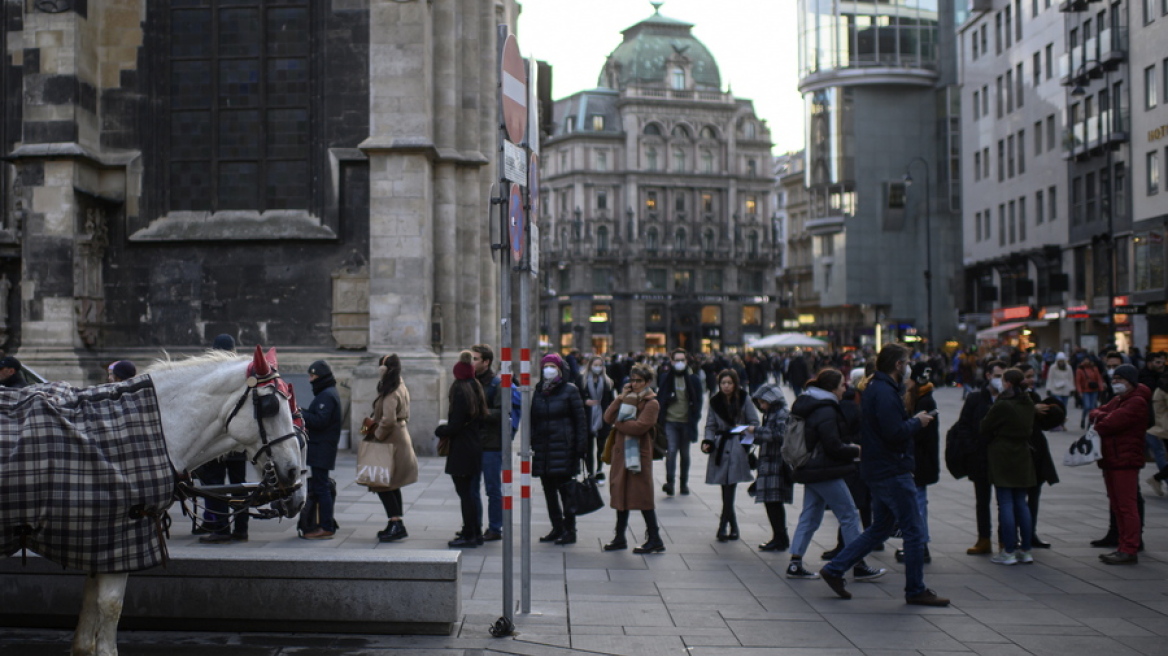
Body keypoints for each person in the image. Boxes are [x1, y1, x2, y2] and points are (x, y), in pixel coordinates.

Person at [819, 343, 948, 607]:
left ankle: (835, 568)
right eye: (907, 361)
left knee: (881, 527)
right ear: (898, 365)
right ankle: (915, 589)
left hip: (879, 467)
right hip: (891, 469)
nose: (909, 366)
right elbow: (894, 432)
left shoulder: (877, 388)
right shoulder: (885, 392)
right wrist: (917, 422)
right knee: (913, 530)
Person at [784, 369, 885, 582]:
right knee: (849, 515)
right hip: (825, 470)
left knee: (809, 516)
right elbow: (832, 445)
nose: (845, 388)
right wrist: (856, 450)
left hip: (810, 467)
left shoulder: (810, 403)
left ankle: (795, 563)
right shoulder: (826, 409)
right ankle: (858, 563)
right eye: (841, 385)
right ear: (831, 389)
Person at [1089, 364, 1152, 564]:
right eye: (1114, 378)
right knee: (1117, 505)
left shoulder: (1136, 402)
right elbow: (1095, 413)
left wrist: (1100, 417)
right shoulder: (1120, 400)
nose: (1115, 383)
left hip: (1125, 460)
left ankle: (1129, 548)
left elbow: (1107, 424)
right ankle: (1123, 545)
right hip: (1112, 458)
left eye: (1120, 379)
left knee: (1126, 506)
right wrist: (1100, 416)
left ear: (1131, 381)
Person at [601, 363, 664, 554]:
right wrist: (620, 397)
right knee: (620, 494)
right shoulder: (626, 398)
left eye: (639, 381)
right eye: (632, 380)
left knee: (643, 497)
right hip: (622, 454)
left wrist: (619, 424)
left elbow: (639, 427)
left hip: (638, 454)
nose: (635, 384)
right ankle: (620, 537)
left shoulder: (652, 403)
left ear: (648, 382)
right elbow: (607, 417)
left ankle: (655, 538)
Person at [196, 335, 251, 544]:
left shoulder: (211, 373)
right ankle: (241, 529)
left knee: (215, 485)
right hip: (236, 441)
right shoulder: (243, 372)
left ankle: (220, 529)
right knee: (239, 485)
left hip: (216, 441)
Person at [948, 360, 1007, 555]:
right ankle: (984, 539)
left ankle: (1005, 540)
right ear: (988, 376)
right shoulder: (975, 398)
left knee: (1004, 501)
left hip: (1002, 458)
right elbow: (963, 425)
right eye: (997, 376)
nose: (1001, 380)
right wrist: (971, 447)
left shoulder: (1010, 398)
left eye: (1004, 376)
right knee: (982, 501)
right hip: (980, 457)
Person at [980, 368, 1037, 565]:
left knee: (1005, 502)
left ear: (1008, 383)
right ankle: (1026, 549)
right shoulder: (1027, 402)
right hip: (1022, 453)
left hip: (1003, 453)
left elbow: (984, 426)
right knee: (1021, 502)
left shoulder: (1003, 404)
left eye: (1003, 380)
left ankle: (1009, 550)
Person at [531, 353, 588, 546]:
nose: (548, 370)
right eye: (545, 366)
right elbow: (533, 419)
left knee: (566, 491)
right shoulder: (539, 390)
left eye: (552, 367)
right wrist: (533, 442)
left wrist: (581, 447)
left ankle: (570, 530)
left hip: (564, 448)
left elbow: (580, 420)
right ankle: (556, 527)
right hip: (544, 449)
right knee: (548, 491)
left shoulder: (570, 390)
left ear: (560, 369)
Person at [701, 369, 759, 542]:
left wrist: (745, 445)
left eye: (729, 383)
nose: (726, 386)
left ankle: (723, 526)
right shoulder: (715, 401)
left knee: (730, 487)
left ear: (735, 384)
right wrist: (708, 441)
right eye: (723, 383)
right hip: (720, 447)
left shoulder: (744, 399)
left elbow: (754, 423)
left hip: (737, 447)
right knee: (725, 488)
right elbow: (710, 425)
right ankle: (733, 526)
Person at [437, 351, 486, 548]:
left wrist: (441, 430)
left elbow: (456, 424)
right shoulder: (476, 386)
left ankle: (470, 535)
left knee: (465, 494)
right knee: (470, 493)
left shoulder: (459, 390)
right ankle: (473, 531)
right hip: (474, 446)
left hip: (462, 449)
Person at [368, 354, 418, 543]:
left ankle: (396, 523)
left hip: (391, 440)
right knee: (391, 483)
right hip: (398, 438)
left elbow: (388, 419)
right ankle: (396, 522)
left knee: (383, 484)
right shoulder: (399, 385)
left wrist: (377, 434)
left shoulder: (391, 390)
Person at [895, 362, 939, 564]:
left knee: (918, 503)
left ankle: (920, 546)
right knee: (918, 502)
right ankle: (919, 545)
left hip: (919, 461)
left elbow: (920, 435)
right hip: (921, 460)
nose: (906, 382)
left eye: (909, 379)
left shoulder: (924, 402)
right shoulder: (922, 399)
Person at [300, 360, 343, 540]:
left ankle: (326, 526)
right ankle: (324, 523)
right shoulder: (327, 393)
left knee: (322, 487)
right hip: (321, 447)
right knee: (321, 485)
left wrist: (300, 413)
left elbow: (320, 421)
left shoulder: (326, 395)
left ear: (321, 377)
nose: (310, 380)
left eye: (313, 376)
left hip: (322, 447)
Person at [751, 384, 794, 551]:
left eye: (763, 402)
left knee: (774, 502)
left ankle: (781, 537)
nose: (762, 406)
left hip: (777, 463)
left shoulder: (782, 413)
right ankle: (778, 536)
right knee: (770, 502)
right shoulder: (771, 413)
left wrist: (756, 431)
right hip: (769, 462)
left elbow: (780, 435)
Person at [657, 348, 703, 497]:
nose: (679, 363)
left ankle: (684, 483)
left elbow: (698, 401)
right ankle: (669, 482)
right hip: (670, 421)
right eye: (677, 360)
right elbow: (660, 398)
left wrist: (695, 418)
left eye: (682, 360)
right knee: (670, 452)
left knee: (685, 454)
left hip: (686, 422)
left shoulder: (693, 379)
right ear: (671, 361)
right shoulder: (665, 377)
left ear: (686, 361)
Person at [470, 344, 504, 541]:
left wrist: (481, 412)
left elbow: (502, 411)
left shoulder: (496, 384)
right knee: (472, 488)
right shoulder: (469, 382)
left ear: (486, 362)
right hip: (472, 443)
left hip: (491, 444)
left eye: (476, 359)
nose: (472, 362)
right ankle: (474, 526)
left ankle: (495, 528)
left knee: (493, 489)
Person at [579, 355, 615, 484]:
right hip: (587, 417)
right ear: (590, 366)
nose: (597, 368)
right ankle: (590, 472)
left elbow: (611, 401)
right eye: (595, 365)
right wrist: (585, 402)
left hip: (603, 418)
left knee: (601, 446)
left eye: (600, 365)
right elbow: (576, 398)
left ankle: (599, 470)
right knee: (588, 447)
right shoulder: (582, 380)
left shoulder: (607, 381)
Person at [1145, 371, 1168, 496]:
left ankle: (1157, 478)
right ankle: (1157, 478)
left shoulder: (1162, 386)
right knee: (1160, 454)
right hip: (1164, 428)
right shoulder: (1164, 388)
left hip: (1162, 428)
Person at [1045, 353, 1075, 429]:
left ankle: (1062, 423)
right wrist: (1048, 388)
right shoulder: (1053, 367)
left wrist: (1072, 389)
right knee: (1058, 407)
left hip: (1066, 389)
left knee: (1064, 408)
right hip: (1056, 389)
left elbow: (1071, 379)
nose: (1061, 362)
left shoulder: (1068, 368)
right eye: (1060, 361)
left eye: (1062, 361)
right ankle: (1056, 424)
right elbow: (1050, 378)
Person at [1076, 359, 1105, 428]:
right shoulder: (1080, 370)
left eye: (1087, 360)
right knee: (1087, 406)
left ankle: (1090, 422)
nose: (1086, 361)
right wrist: (1079, 392)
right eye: (1084, 360)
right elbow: (1078, 382)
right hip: (1085, 390)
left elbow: (1098, 378)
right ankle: (1083, 419)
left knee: (1092, 407)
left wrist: (1101, 388)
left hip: (1094, 390)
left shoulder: (1094, 368)